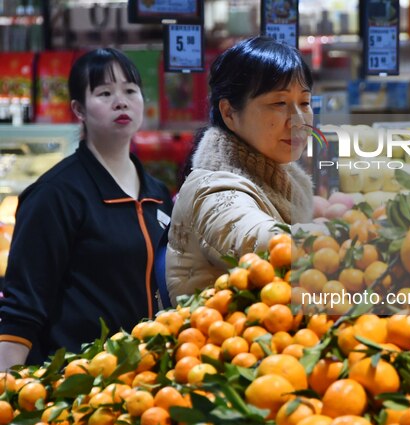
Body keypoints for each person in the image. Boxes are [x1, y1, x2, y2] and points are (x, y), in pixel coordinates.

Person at [0, 48, 173, 368]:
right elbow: (22, 307)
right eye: (104, 92)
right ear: (78, 109)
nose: (120, 101)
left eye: (130, 91)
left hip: (147, 381)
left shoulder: (157, 194)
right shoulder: (55, 195)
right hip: (75, 384)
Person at [166, 36, 314, 302]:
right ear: (230, 113)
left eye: (304, 103)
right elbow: (253, 237)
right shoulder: (211, 191)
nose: (298, 120)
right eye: (279, 103)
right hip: (221, 342)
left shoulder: (282, 180)